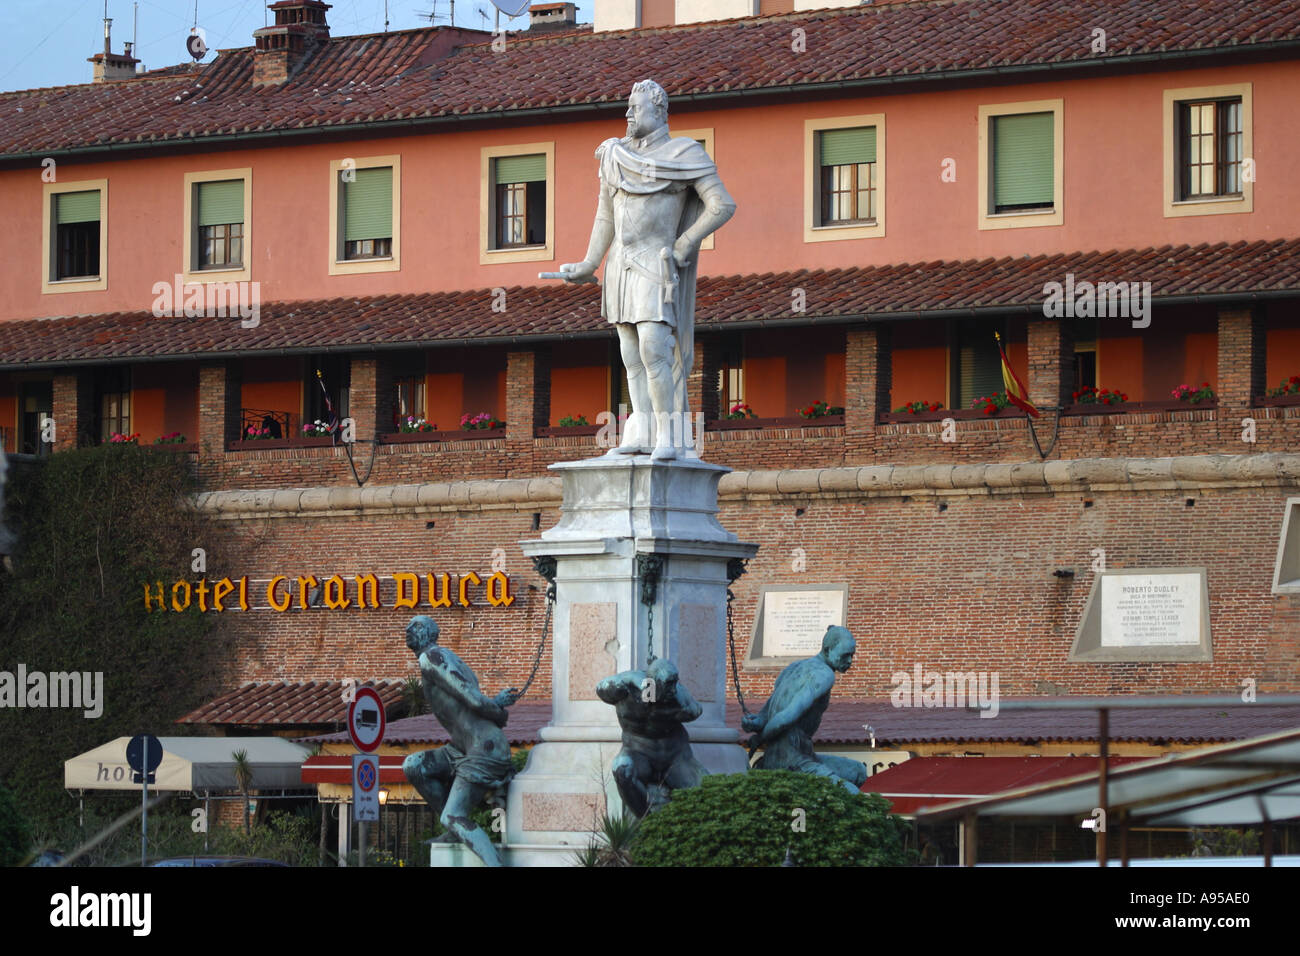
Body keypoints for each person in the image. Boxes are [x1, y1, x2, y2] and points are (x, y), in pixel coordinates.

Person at [558, 79, 736, 461]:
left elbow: (722, 205)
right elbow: (605, 214)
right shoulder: (615, 156)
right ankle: (641, 431)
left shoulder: (684, 153)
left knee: (656, 347)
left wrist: (687, 241)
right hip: (620, 265)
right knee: (630, 354)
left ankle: (669, 439)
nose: (627, 114)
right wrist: (590, 262)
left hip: (656, 262)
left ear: (658, 112)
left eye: (635, 108)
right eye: (627, 107)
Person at [401, 615, 518, 867]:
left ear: (429, 633)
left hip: (482, 749)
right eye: (409, 626)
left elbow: (474, 700)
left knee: (453, 815)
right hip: (462, 748)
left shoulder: (431, 657)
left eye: (416, 626)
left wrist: (497, 710)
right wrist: (497, 704)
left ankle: (494, 863)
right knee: (415, 765)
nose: (408, 630)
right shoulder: (445, 658)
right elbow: (472, 700)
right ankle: (454, 830)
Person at [742, 625, 868, 793]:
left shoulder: (793, 668)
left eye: (852, 655)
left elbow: (764, 717)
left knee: (858, 771)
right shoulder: (824, 675)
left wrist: (755, 723)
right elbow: (785, 718)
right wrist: (761, 738)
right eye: (846, 655)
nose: (850, 661)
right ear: (828, 649)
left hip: (802, 752)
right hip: (790, 759)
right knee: (853, 795)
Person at [596, 657, 707, 816]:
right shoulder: (627, 691)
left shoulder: (677, 696)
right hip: (638, 753)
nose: (673, 689)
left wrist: (678, 697)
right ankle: (647, 822)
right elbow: (601, 688)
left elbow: (695, 711)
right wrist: (630, 679)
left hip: (675, 757)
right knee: (621, 768)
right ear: (652, 683)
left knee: (705, 787)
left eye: (675, 682)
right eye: (668, 684)